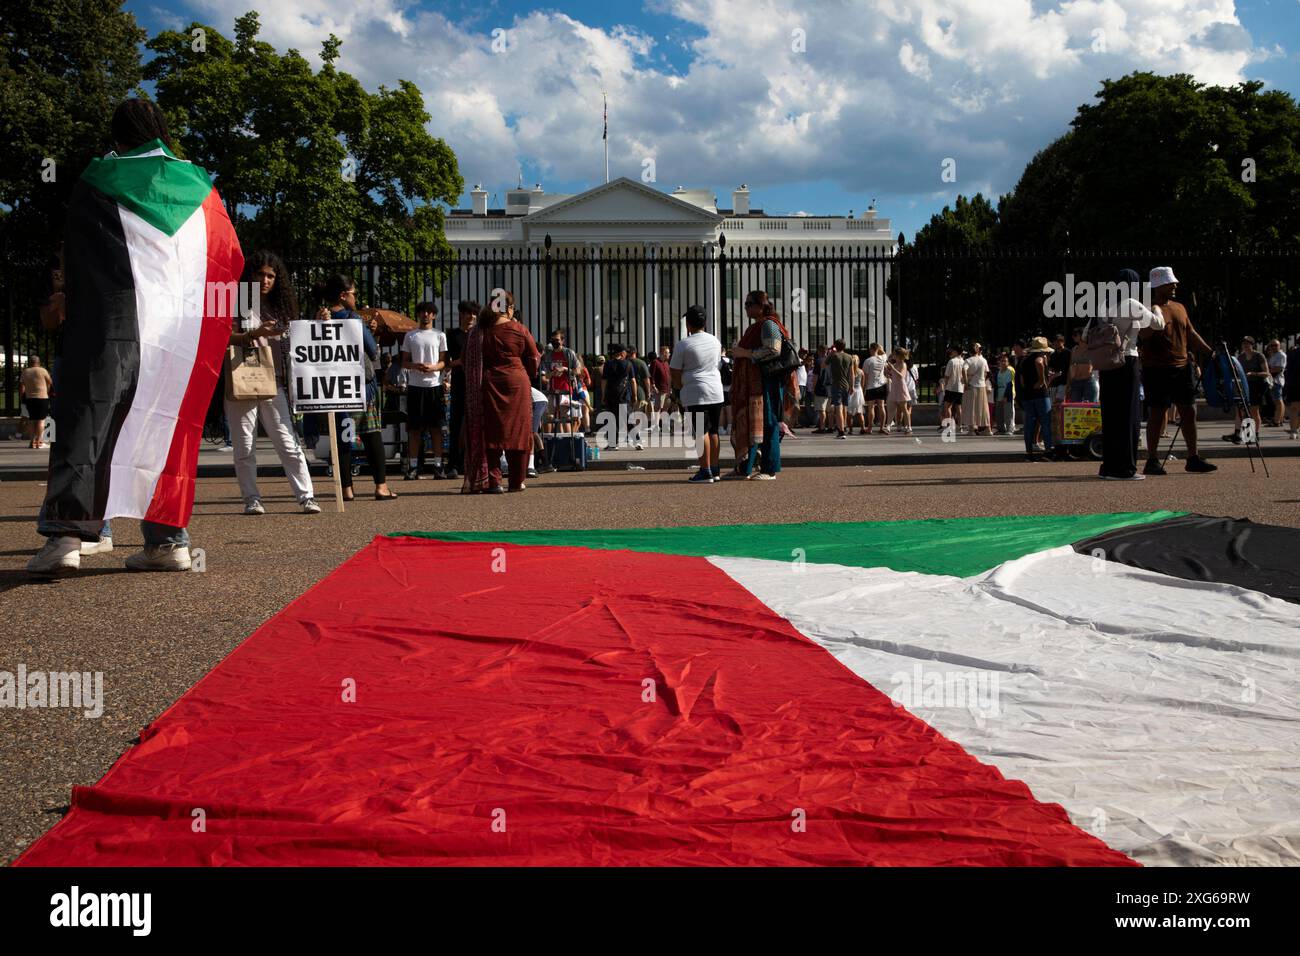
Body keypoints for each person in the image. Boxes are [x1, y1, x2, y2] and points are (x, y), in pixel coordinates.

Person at [29, 98, 243, 574]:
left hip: (113, 329)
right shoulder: (203, 190)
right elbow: (227, 255)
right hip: (177, 335)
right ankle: (169, 542)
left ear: (119, 138)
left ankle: (67, 537)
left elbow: (82, 263)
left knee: (87, 422)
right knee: (165, 427)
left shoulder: (98, 181)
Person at [226, 251, 319, 515]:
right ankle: (251, 499)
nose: (266, 280)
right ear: (251, 275)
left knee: (288, 441)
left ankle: (306, 496)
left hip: (273, 380)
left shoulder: (282, 307)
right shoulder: (239, 300)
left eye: (271, 275)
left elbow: (300, 338)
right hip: (241, 379)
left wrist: (320, 323)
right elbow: (221, 338)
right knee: (244, 446)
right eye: (261, 274)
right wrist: (254, 334)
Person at [315, 275, 397, 501]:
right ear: (343, 295)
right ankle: (381, 486)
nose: (356, 298)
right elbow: (372, 352)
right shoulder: (353, 318)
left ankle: (346, 489)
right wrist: (371, 333)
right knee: (371, 435)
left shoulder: (320, 318)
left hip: (334, 387)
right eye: (353, 293)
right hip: (361, 386)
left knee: (343, 437)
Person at [461, 291, 541, 493]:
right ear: (510, 308)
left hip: (489, 384)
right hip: (517, 383)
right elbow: (533, 358)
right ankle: (516, 481)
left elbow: (466, 361)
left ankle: (494, 481)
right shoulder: (519, 329)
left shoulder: (479, 332)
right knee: (519, 432)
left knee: (492, 433)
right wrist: (528, 373)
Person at [1139, 266, 1216, 475]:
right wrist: (1153, 320)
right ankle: (1152, 459)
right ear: (1158, 286)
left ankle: (1193, 457)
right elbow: (1144, 336)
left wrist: (1209, 352)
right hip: (1156, 369)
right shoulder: (1147, 308)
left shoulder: (1180, 307)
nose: (1175, 285)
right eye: (1170, 283)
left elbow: (1190, 333)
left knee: (1189, 411)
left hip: (1182, 367)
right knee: (1157, 413)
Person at [1089, 269, 1164, 480]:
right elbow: (1158, 324)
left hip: (1106, 364)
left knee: (1111, 416)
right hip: (1126, 360)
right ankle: (1125, 468)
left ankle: (1109, 465)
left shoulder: (1103, 305)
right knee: (1129, 416)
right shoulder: (1131, 303)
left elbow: (1087, 333)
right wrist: (1156, 309)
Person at [729, 291, 797, 479]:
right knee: (755, 424)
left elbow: (773, 349)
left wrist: (745, 353)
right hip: (756, 383)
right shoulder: (757, 326)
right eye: (745, 304)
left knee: (768, 423)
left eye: (749, 304)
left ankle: (769, 469)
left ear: (760, 306)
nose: (746, 308)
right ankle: (746, 467)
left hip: (766, 382)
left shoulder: (768, 324)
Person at [670, 305, 725, 483]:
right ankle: (715, 469)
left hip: (695, 392)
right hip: (715, 390)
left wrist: (679, 387)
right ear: (705, 322)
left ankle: (705, 470)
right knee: (714, 430)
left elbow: (675, 372)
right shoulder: (715, 341)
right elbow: (717, 364)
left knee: (701, 431)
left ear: (688, 324)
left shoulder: (683, 344)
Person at [401, 302, 449, 480]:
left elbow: (444, 361)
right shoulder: (410, 336)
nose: (426, 315)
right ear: (418, 315)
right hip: (415, 386)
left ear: (434, 315)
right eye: (422, 312)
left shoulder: (440, 335)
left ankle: (438, 465)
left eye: (429, 312)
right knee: (414, 430)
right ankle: (414, 466)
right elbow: (404, 361)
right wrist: (415, 365)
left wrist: (434, 367)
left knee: (436, 429)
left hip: (434, 386)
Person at [443, 300, 478, 480]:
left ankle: (471, 462)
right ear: (461, 315)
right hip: (458, 382)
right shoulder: (452, 335)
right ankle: (453, 463)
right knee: (456, 425)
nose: (471, 316)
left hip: (476, 384)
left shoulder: (479, 335)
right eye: (467, 313)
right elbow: (446, 361)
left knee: (475, 425)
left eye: (473, 314)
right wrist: (463, 361)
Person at [1017, 337, 1055, 461]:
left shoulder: (1024, 361)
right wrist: (1041, 380)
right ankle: (1048, 451)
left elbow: (1022, 381)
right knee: (1045, 422)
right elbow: (1039, 362)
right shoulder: (1041, 357)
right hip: (1040, 394)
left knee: (1029, 424)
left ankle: (1029, 453)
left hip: (1028, 395)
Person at [1226, 336, 1268, 444]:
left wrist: (1253, 374)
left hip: (1256, 385)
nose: (1245, 345)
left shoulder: (1259, 356)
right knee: (1240, 410)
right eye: (1243, 343)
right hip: (1244, 386)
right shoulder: (1240, 357)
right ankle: (1239, 434)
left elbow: (1266, 373)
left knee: (1254, 411)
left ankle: (1255, 435)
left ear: (1252, 344)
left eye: (1248, 343)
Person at [602, 344, 637, 450]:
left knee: (612, 419)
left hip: (611, 395)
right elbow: (633, 381)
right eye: (626, 352)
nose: (626, 354)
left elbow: (604, 381)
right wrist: (634, 396)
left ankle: (613, 444)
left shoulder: (608, 364)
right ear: (622, 353)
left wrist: (603, 395)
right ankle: (637, 441)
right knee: (627, 418)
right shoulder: (628, 364)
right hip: (624, 395)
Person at [20, 355, 52, 449]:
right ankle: (39, 442)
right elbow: (50, 382)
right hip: (42, 398)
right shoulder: (43, 371)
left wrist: (23, 397)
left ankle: (32, 442)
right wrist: (47, 390)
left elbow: (22, 386)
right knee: (41, 420)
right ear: (39, 362)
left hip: (30, 398)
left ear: (30, 362)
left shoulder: (25, 372)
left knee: (31, 420)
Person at [826, 339, 854, 439]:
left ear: (835, 346)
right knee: (844, 407)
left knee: (838, 408)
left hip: (836, 384)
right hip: (846, 385)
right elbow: (851, 373)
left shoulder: (834, 356)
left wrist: (830, 354)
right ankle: (844, 426)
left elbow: (823, 365)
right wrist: (852, 386)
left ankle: (841, 431)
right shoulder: (849, 357)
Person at [963, 343, 991, 435]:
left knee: (971, 407)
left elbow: (964, 370)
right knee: (983, 408)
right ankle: (987, 428)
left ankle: (971, 429)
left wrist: (966, 382)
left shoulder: (968, 360)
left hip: (972, 385)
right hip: (982, 385)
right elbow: (986, 373)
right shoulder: (983, 360)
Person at [862, 343, 889, 435]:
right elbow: (884, 352)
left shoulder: (868, 361)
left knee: (871, 408)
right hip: (881, 385)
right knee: (881, 407)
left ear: (871, 349)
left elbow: (865, 376)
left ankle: (870, 428)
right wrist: (879, 348)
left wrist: (863, 388)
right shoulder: (883, 358)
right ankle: (882, 427)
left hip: (871, 386)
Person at [884, 347, 911, 434]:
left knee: (904, 408)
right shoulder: (895, 365)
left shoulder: (903, 364)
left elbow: (901, 376)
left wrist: (893, 369)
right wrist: (887, 372)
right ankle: (888, 426)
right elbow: (892, 376)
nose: (893, 356)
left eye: (894, 354)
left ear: (899, 356)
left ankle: (909, 427)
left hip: (901, 388)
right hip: (895, 388)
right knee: (891, 408)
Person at [1066, 327, 1098, 403]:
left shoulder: (1091, 348)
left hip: (1088, 381)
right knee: (1074, 409)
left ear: (1082, 335)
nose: (1073, 337)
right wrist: (1068, 384)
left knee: (1090, 408)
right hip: (1075, 382)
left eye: (1075, 335)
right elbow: (1070, 367)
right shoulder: (1074, 349)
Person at [940, 345, 965, 430]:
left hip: (951, 387)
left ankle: (949, 426)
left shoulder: (951, 361)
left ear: (955, 352)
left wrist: (945, 385)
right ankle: (960, 425)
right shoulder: (963, 362)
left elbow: (947, 376)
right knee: (958, 407)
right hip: (960, 387)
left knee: (947, 406)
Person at [1264, 339, 1286, 427]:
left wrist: (1267, 372)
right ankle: (1279, 419)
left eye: (1275, 345)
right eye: (1272, 345)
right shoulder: (1273, 355)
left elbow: (1279, 368)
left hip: (1276, 380)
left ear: (1279, 345)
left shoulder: (1281, 355)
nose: (1273, 347)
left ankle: (1276, 421)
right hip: (1273, 380)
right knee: (1278, 401)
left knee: (1278, 401)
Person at [995, 352, 1016, 435]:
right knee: (999, 413)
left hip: (1008, 393)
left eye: (1005, 361)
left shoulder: (1010, 370)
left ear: (1008, 362)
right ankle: (1001, 429)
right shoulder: (999, 371)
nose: (1003, 362)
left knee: (1008, 412)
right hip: (999, 394)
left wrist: (1006, 396)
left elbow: (1010, 384)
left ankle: (1010, 429)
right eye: (1002, 361)